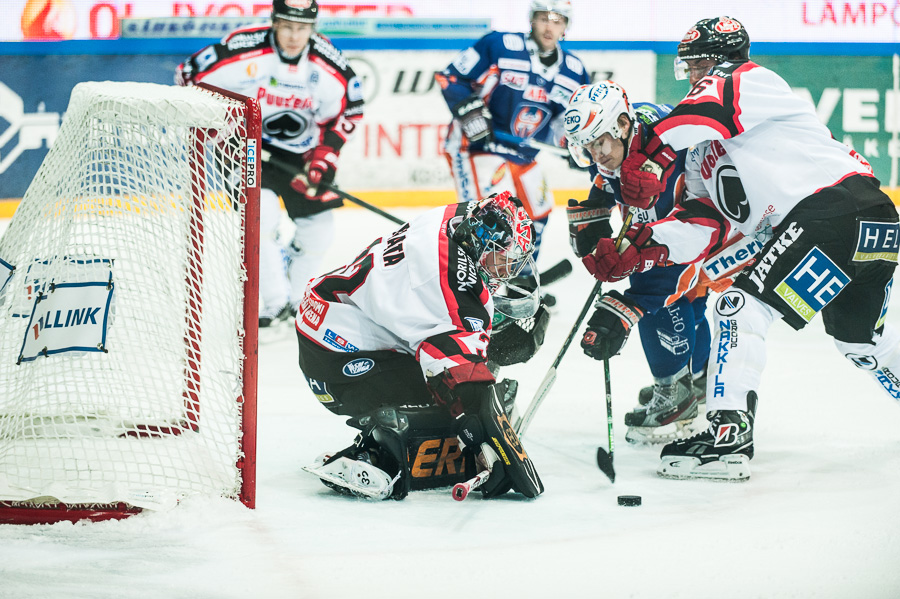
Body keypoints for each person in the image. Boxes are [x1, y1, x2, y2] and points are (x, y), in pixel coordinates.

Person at [584, 16, 900, 481]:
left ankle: (727, 433)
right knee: (858, 340)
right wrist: (642, 249)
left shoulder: (747, 81)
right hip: (866, 225)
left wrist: (646, 155)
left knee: (739, 306)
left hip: (833, 210)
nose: (690, 76)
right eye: (687, 68)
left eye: (696, 65)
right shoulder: (701, 154)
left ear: (718, 60)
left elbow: (702, 113)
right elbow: (706, 225)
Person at [295, 191, 550, 500]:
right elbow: (460, 379)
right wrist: (493, 446)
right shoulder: (450, 288)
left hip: (330, 317)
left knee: (470, 359)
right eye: (502, 258)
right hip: (339, 362)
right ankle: (378, 452)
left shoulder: (460, 217)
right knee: (451, 396)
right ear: (482, 246)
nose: (506, 270)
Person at [176, 0, 364, 327]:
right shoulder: (240, 49)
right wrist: (221, 131)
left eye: (302, 28)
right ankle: (274, 302)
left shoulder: (327, 63)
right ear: (274, 22)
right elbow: (186, 76)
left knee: (319, 228)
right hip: (245, 146)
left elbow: (350, 109)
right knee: (260, 216)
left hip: (300, 155)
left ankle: (297, 297)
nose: (294, 35)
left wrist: (326, 155)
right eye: (287, 26)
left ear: (313, 28)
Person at [563, 80, 716, 444]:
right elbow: (603, 181)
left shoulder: (668, 137)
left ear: (621, 124)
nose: (596, 154)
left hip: (708, 225)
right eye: (587, 146)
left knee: (651, 294)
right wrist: (593, 222)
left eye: (599, 142)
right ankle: (698, 380)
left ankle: (675, 394)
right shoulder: (616, 143)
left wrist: (628, 297)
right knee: (691, 302)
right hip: (681, 229)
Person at [435, 0, 590, 273]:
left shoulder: (574, 71)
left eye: (557, 20)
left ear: (566, 26)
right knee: (489, 218)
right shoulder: (499, 45)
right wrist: (472, 116)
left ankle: (519, 276)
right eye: (544, 18)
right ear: (532, 20)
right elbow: (450, 78)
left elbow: (566, 123)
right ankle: (471, 281)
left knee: (538, 213)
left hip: (522, 153)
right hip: (475, 145)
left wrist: (577, 147)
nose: (549, 27)